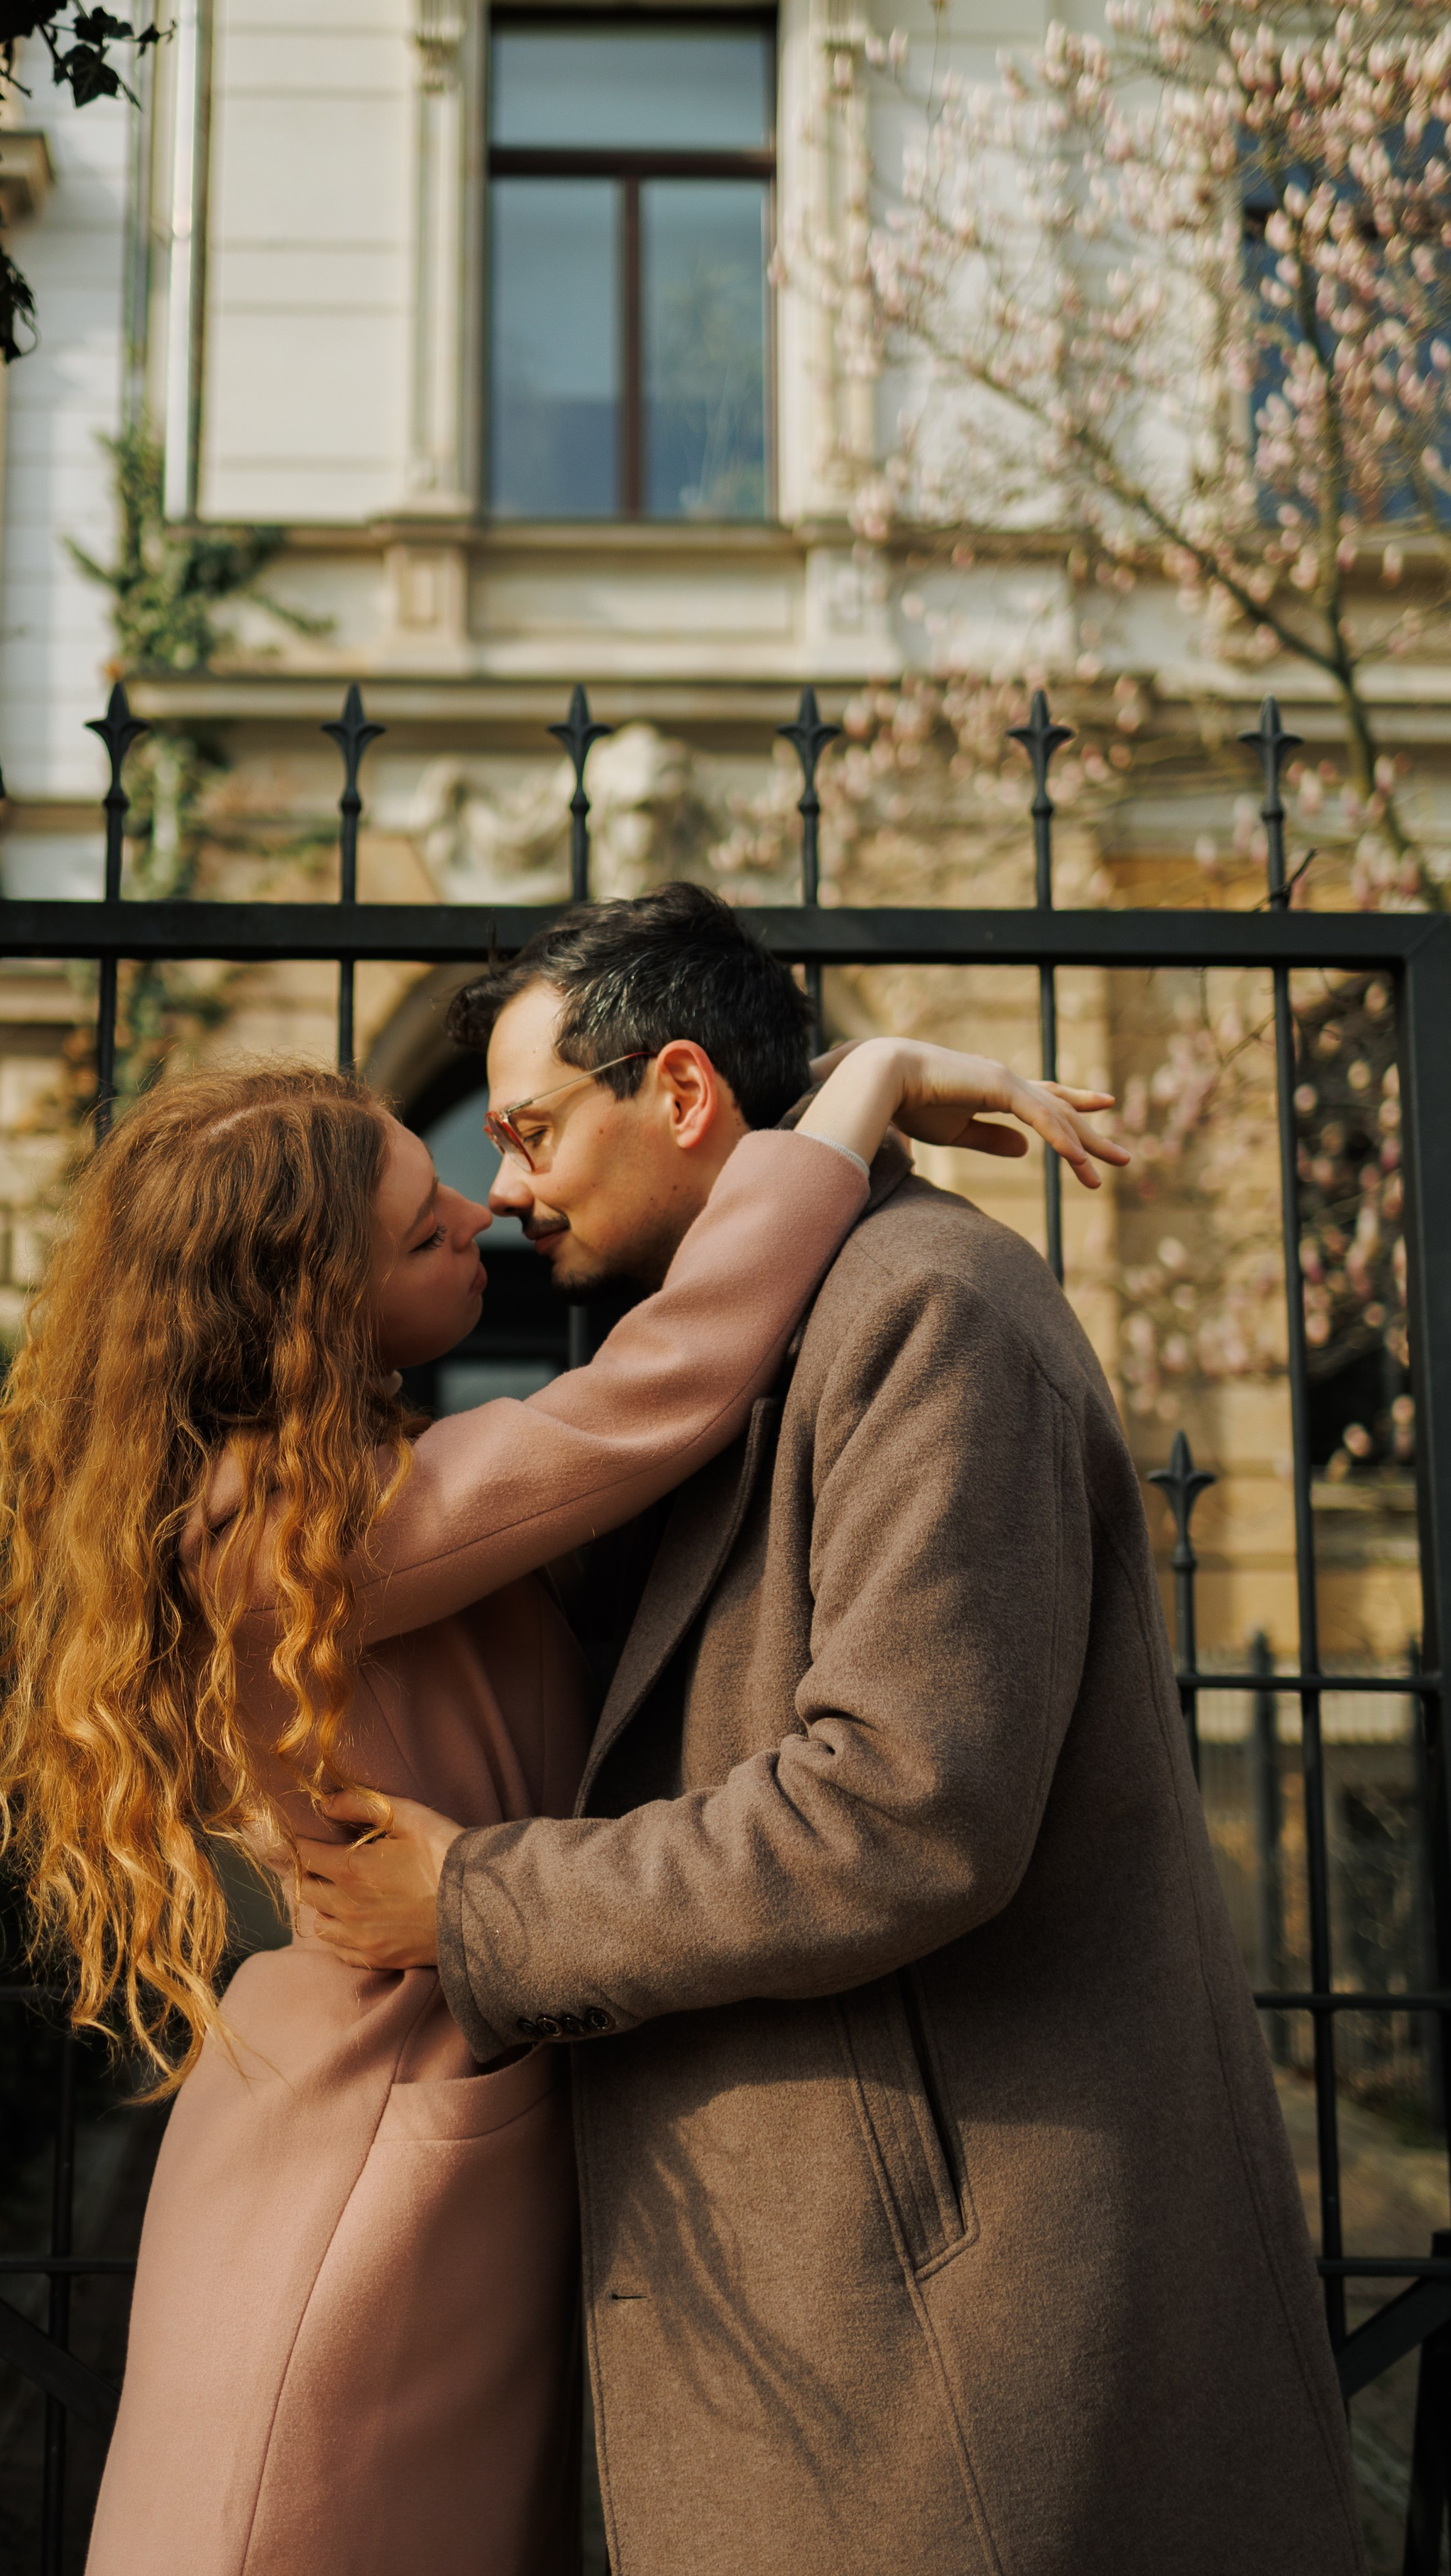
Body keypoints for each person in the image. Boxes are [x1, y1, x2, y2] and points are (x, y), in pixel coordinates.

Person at [0, 991, 1119, 2576]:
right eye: (425, 1216)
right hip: (370, 2170)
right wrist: (861, 1087)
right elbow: (663, 1387)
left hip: (397, 2112)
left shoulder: (333, 1489)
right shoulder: (295, 1527)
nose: (483, 1207)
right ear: (309, 1293)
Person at [296, 885, 1365, 2576]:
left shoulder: (923, 1308)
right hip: (824, 2295)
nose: (501, 1186)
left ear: (679, 1093)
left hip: (940, 2332)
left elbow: (899, 1809)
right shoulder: (751, 1346)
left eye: (528, 1128)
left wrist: (479, 1903)